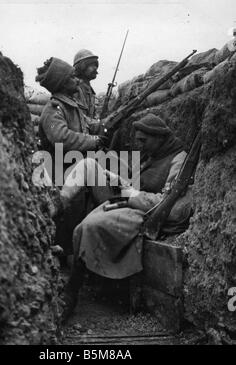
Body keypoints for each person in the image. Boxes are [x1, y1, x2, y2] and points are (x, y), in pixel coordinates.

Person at [59, 113, 193, 321]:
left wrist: (132, 195)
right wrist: (120, 181)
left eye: (143, 140)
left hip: (145, 213)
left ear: (159, 137)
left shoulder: (178, 159)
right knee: (88, 165)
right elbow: (138, 185)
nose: (139, 145)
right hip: (130, 199)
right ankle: (59, 202)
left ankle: (73, 289)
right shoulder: (154, 155)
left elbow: (169, 204)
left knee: (88, 226)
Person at [35, 57, 108, 255]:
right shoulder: (53, 109)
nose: (77, 81)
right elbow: (61, 137)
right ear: (62, 83)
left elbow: (88, 124)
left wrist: (106, 124)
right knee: (68, 224)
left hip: (74, 170)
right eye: (72, 78)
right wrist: (93, 140)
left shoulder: (70, 107)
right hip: (61, 173)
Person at [73, 49, 99, 118]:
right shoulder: (74, 89)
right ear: (81, 67)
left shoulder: (91, 91)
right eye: (91, 65)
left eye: (96, 65)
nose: (95, 68)